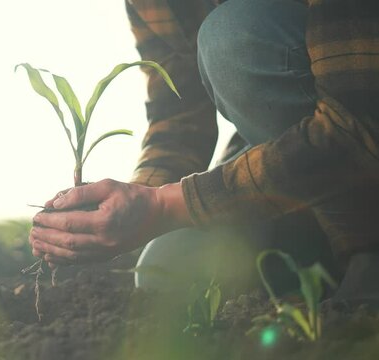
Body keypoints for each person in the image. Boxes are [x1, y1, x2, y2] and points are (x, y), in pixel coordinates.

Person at [29, 0, 379, 302]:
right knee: (171, 270)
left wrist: (163, 206)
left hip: (356, 122)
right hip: (309, 148)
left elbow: (354, 128)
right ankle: (322, 254)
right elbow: (179, 118)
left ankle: (364, 254)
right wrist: (131, 201)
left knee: (234, 40)